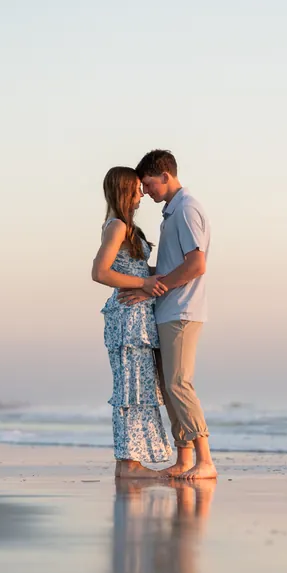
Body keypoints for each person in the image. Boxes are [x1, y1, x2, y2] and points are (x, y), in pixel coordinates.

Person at [118, 150, 216, 481]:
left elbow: (196, 264)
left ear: (165, 176)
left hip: (183, 310)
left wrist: (153, 288)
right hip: (167, 310)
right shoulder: (171, 213)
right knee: (168, 385)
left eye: (148, 185)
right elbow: (172, 266)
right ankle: (184, 458)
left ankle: (206, 459)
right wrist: (138, 278)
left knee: (178, 382)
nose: (145, 193)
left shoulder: (187, 208)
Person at [91, 166, 173, 479]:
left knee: (140, 388)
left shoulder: (127, 227)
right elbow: (100, 272)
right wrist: (143, 285)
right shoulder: (116, 226)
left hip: (138, 318)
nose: (142, 194)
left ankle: (132, 462)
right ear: (126, 190)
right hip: (127, 319)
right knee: (130, 389)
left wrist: (159, 276)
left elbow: (137, 270)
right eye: (138, 188)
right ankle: (128, 465)